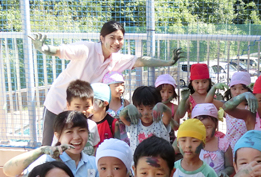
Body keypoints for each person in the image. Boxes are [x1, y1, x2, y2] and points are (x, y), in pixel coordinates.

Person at [30, 21, 181, 145]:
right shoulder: (86, 49)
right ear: (102, 38)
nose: (116, 42)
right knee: (48, 145)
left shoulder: (116, 59)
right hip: (58, 102)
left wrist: (167, 62)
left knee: (74, 144)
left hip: (82, 109)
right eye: (112, 37)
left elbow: (141, 60)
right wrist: (43, 47)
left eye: (120, 38)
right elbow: (60, 51)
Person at [205, 72, 252, 158]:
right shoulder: (226, 106)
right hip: (229, 149)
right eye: (234, 88)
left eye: (242, 89)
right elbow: (208, 102)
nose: (237, 92)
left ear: (248, 90)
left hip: (246, 149)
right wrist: (214, 87)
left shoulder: (251, 108)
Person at [119, 85, 172, 155]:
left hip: (159, 163)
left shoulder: (160, 121)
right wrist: (128, 108)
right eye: (141, 109)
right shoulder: (134, 123)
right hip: (138, 164)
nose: (146, 113)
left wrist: (162, 107)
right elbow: (122, 117)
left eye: (151, 108)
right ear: (135, 108)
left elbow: (168, 114)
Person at [59, 79, 100, 156]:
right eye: (77, 107)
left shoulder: (93, 125)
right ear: (68, 105)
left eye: (86, 106)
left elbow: (94, 146)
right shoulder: (62, 125)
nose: (82, 111)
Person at [155, 73, 181, 143]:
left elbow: (176, 127)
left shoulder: (175, 108)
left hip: (169, 140)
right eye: (162, 92)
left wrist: (169, 117)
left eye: (169, 92)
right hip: (155, 138)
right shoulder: (153, 106)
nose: (166, 95)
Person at [90, 82, 117, 149]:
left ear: (105, 103)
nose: (89, 105)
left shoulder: (113, 123)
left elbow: (118, 144)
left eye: (93, 101)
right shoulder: (86, 122)